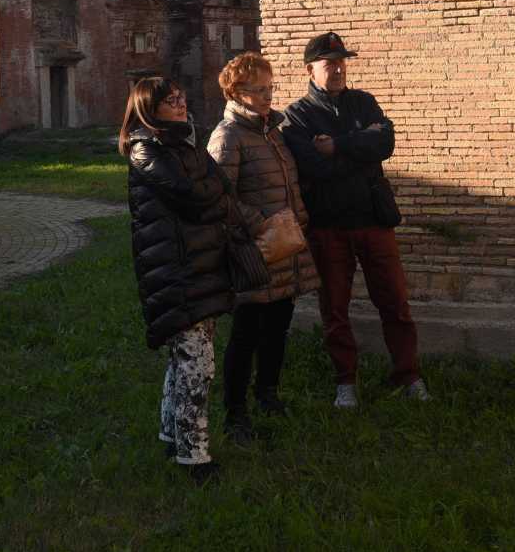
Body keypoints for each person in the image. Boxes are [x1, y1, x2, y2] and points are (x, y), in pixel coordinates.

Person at [280, 32, 427, 408]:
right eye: (330, 63)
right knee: (335, 309)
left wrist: (339, 145)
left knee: (395, 303)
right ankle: (345, 382)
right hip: (329, 226)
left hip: (374, 220)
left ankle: (408, 375)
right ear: (310, 69)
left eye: (343, 61)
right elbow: (313, 166)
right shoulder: (297, 116)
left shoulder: (363, 101)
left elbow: (386, 144)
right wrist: (361, 143)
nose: (339, 68)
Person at [124, 76, 247, 480]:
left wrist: (212, 194)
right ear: (150, 108)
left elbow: (222, 186)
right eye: (170, 100)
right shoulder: (147, 150)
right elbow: (195, 197)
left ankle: (170, 435)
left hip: (198, 265)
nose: (180, 104)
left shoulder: (185, 143)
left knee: (186, 358)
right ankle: (194, 458)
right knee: (198, 364)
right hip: (174, 269)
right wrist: (213, 196)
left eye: (180, 97)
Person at [206, 52, 319, 442]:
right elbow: (219, 196)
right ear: (237, 92)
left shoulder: (273, 131)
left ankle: (267, 394)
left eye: (271, 88)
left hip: (286, 247)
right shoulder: (228, 136)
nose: (269, 95)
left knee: (278, 327)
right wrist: (261, 224)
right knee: (247, 332)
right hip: (255, 250)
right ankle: (235, 413)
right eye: (260, 89)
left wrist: (296, 217)